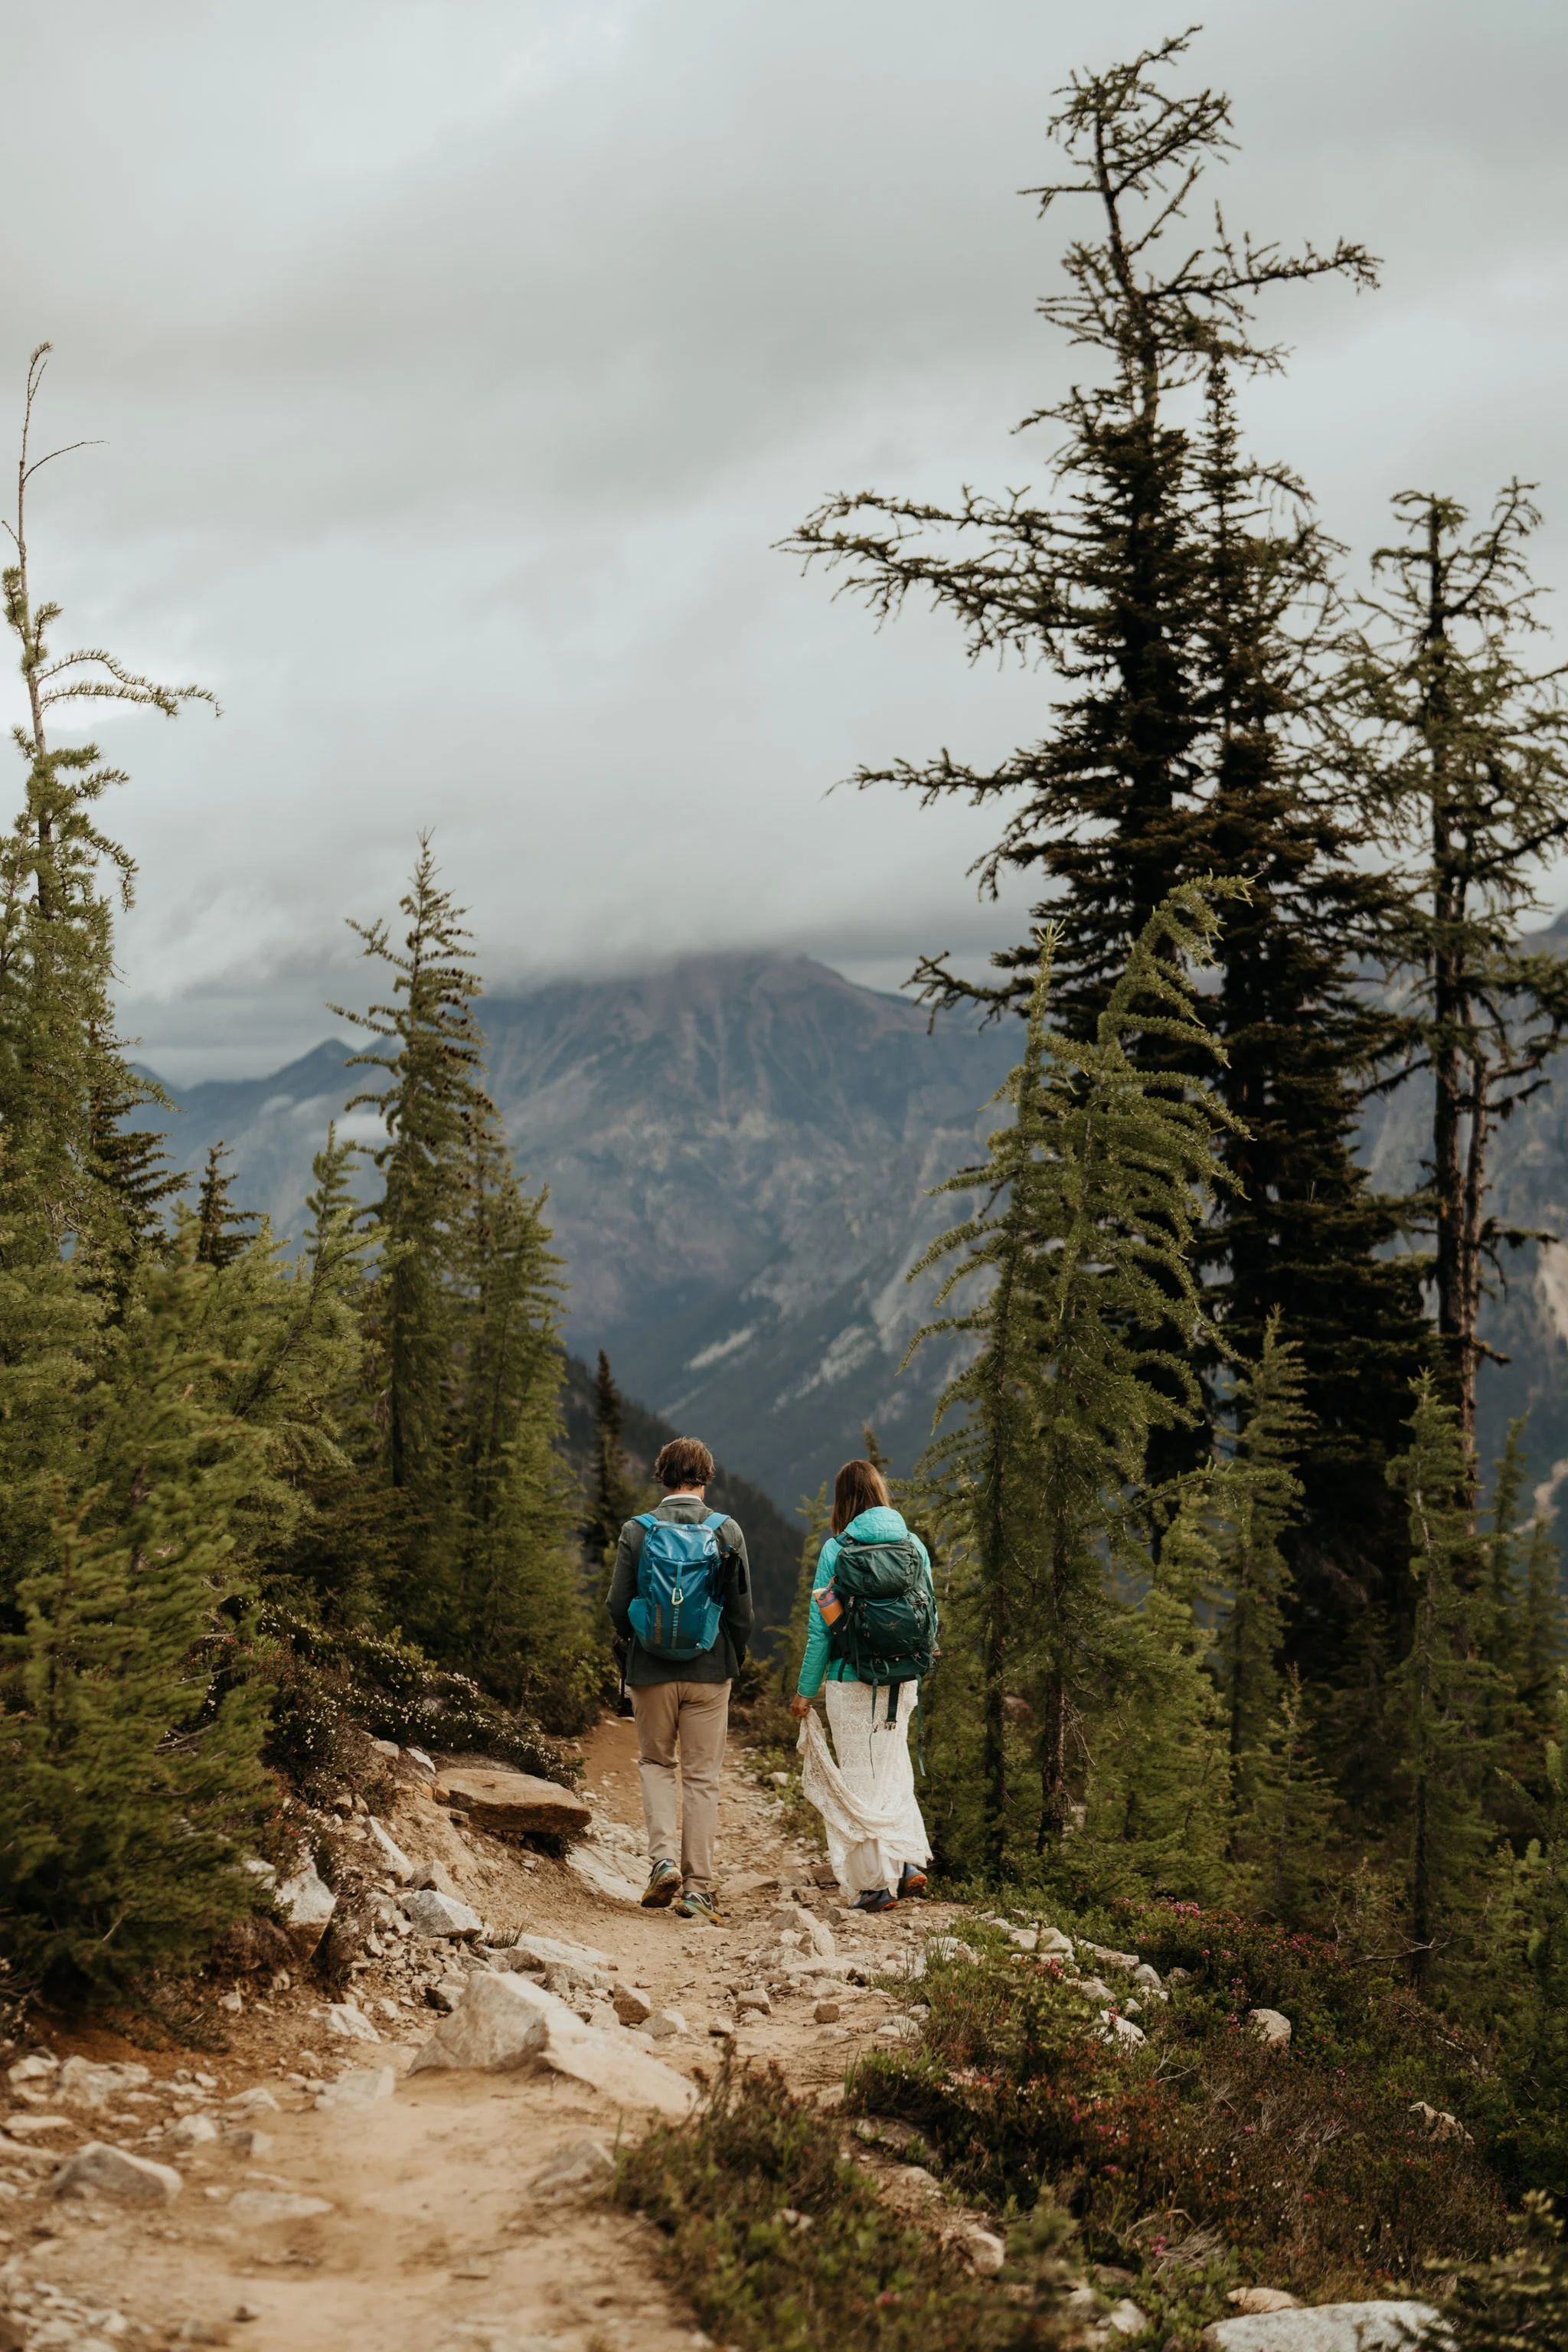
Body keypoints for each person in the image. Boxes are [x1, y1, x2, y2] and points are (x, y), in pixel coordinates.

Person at [606, 1435, 752, 1924]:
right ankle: (698, 1890)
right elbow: (742, 1611)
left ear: (662, 1476)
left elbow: (617, 1604)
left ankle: (663, 1862)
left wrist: (638, 1640)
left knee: (655, 1762)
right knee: (702, 1777)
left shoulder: (637, 1530)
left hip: (650, 1671)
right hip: (710, 1671)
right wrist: (731, 1657)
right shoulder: (726, 1530)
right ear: (705, 1477)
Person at [790, 1458, 935, 1913]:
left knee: (858, 1780)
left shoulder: (836, 1551)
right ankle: (906, 1862)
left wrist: (805, 1691)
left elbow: (821, 1631)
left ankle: (874, 1886)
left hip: (850, 1679)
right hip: (902, 1679)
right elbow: (930, 1613)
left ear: (843, 1501)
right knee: (893, 1768)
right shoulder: (913, 1544)